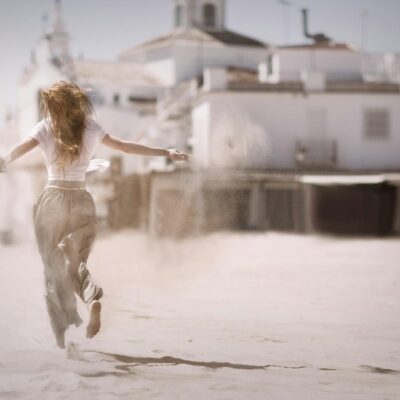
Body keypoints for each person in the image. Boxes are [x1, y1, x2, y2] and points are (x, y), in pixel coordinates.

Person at [0, 81, 189, 349]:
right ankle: (91, 299)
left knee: (52, 271)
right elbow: (125, 147)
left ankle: (64, 339)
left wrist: (5, 160)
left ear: (52, 105)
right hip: (81, 199)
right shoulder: (91, 128)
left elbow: (21, 147)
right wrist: (166, 152)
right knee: (75, 262)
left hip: (52, 200)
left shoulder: (45, 127)